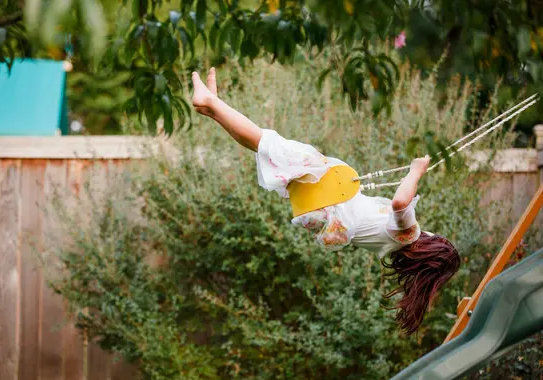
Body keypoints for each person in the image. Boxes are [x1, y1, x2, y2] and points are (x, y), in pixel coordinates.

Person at [191, 68, 461, 335]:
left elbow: (400, 203)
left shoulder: (408, 235)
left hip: (329, 204)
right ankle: (214, 109)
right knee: (269, 147)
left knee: (271, 144)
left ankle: (213, 104)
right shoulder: (394, 246)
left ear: (431, 245)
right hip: (324, 209)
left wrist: (417, 170)